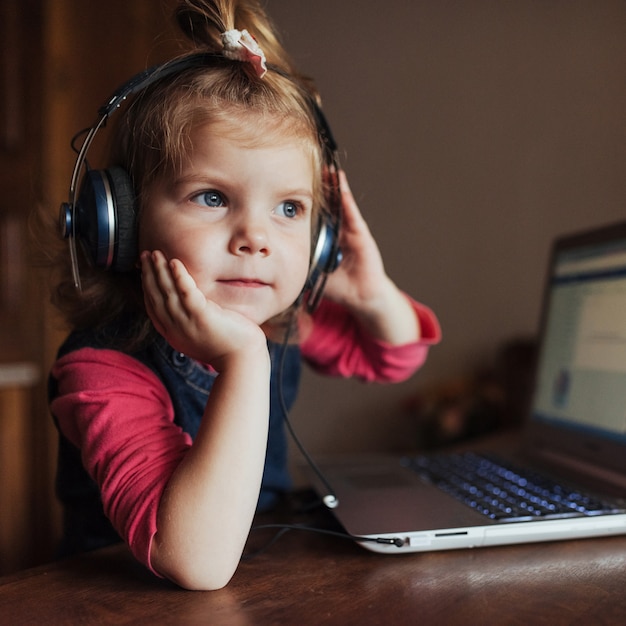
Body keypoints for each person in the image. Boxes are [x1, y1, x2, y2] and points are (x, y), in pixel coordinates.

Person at [45, 0, 441, 590]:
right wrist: (242, 359)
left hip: (259, 582)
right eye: (211, 196)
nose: (256, 238)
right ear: (121, 223)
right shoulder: (103, 371)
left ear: (322, 234)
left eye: (289, 208)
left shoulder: (286, 319)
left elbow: (395, 356)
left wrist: (369, 291)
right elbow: (194, 560)